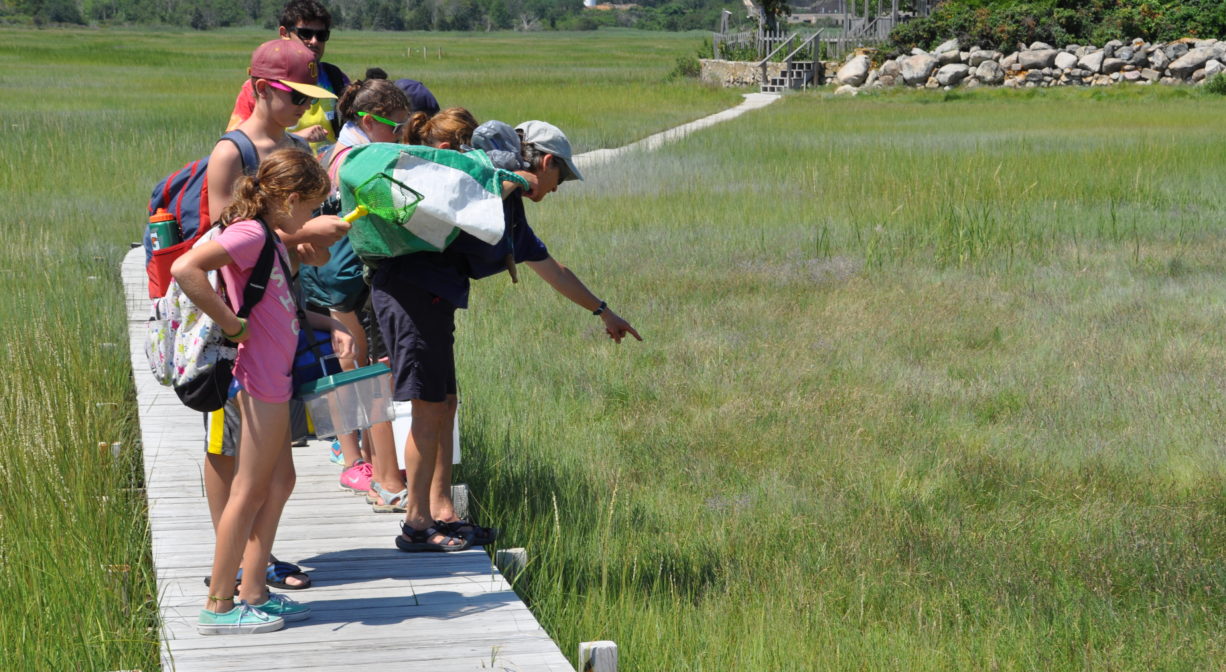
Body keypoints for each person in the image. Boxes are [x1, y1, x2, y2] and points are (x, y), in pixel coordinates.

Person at [372, 116, 641, 553]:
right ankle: (416, 525)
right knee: (426, 410)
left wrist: (604, 312)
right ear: (546, 161)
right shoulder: (491, 182)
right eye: (560, 177)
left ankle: (441, 510)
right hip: (412, 297)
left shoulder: (511, 206)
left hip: (435, 301)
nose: (557, 188)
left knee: (445, 404)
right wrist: (509, 180)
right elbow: (464, 207)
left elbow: (552, 269)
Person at [173, 149, 348, 634]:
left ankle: (253, 590)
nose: (313, 217)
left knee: (279, 482)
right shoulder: (250, 233)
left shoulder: (268, 234)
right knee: (248, 491)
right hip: (258, 381)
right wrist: (232, 325)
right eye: (312, 207)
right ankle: (219, 605)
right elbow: (185, 269)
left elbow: (276, 301)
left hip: (275, 378)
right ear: (291, 199)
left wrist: (327, 319)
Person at [201, 37, 351, 599]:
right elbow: (229, 242)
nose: (302, 109)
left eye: (310, 98)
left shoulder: (292, 146)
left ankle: (252, 573)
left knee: (274, 471)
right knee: (228, 452)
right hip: (240, 336)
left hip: (280, 320)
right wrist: (301, 234)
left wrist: (303, 248)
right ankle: (234, 570)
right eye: (294, 96)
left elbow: (277, 248)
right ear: (262, 89)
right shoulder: (232, 152)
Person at [299, 77, 412, 509]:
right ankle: (369, 469)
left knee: (348, 359)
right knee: (362, 368)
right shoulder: (359, 157)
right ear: (369, 119)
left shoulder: (334, 150)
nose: (399, 135)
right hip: (347, 279)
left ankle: (354, 456)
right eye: (395, 126)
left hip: (328, 275)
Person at [226, 0, 349, 151]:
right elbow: (237, 144)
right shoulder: (260, 86)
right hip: (280, 170)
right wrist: (298, 139)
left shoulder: (336, 78)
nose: (314, 41)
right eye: (305, 34)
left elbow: (355, 129)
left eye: (322, 35)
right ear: (284, 33)